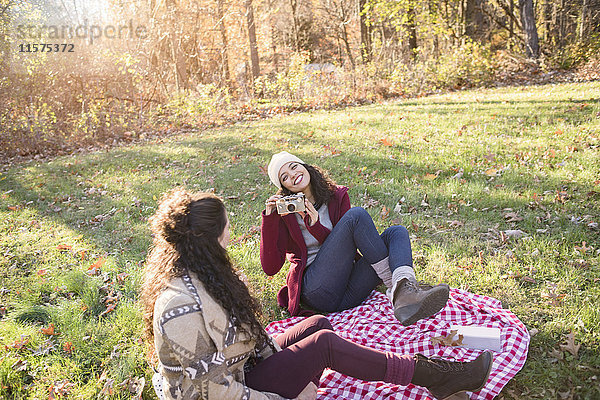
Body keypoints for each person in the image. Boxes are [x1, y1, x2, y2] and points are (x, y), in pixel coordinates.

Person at [141, 188, 493, 400]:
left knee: (317, 325)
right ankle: (436, 376)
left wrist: (287, 365)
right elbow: (209, 392)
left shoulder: (209, 271)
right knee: (324, 343)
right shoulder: (180, 308)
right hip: (226, 390)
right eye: (227, 226)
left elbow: (253, 337)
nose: (231, 232)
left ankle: (404, 300)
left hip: (239, 369)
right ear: (209, 239)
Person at [260, 151, 449, 324]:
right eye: (284, 177)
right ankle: (399, 292)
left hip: (348, 291)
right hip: (318, 290)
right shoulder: (284, 214)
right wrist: (269, 220)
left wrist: (316, 225)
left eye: (294, 166)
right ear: (283, 187)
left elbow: (346, 245)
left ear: (305, 166)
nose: (292, 175)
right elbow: (270, 268)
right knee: (356, 216)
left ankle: (405, 289)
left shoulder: (336, 196)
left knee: (396, 232)